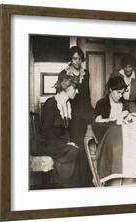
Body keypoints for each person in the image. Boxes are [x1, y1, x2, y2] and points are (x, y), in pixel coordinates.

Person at [57, 46, 93, 187]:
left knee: (90, 143)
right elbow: (61, 96)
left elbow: (87, 94)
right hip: (72, 113)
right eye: (74, 58)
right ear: (70, 59)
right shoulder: (64, 73)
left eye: (79, 58)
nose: (77, 61)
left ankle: (89, 178)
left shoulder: (86, 73)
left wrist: (91, 112)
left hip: (86, 111)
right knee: (79, 145)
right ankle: (78, 181)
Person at [36, 75, 80, 188]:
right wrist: (65, 144)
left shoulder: (68, 105)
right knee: (74, 151)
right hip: (46, 143)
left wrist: (68, 142)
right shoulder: (51, 103)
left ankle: (69, 185)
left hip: (59, 143)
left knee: (79, 149)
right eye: (75, 88)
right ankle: (65, 184)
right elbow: (45, 131)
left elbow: (65, 131)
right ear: (67, 89)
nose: (77, 91)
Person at [92, 76, 131, 141]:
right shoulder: (101, 103)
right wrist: (115, 120)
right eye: (118, 92)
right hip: (107, 136)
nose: (120, 96)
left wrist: (130, 117)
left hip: (123, 135)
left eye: (122, 93)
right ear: (110, 89)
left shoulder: (124, 103)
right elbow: (97, 121)